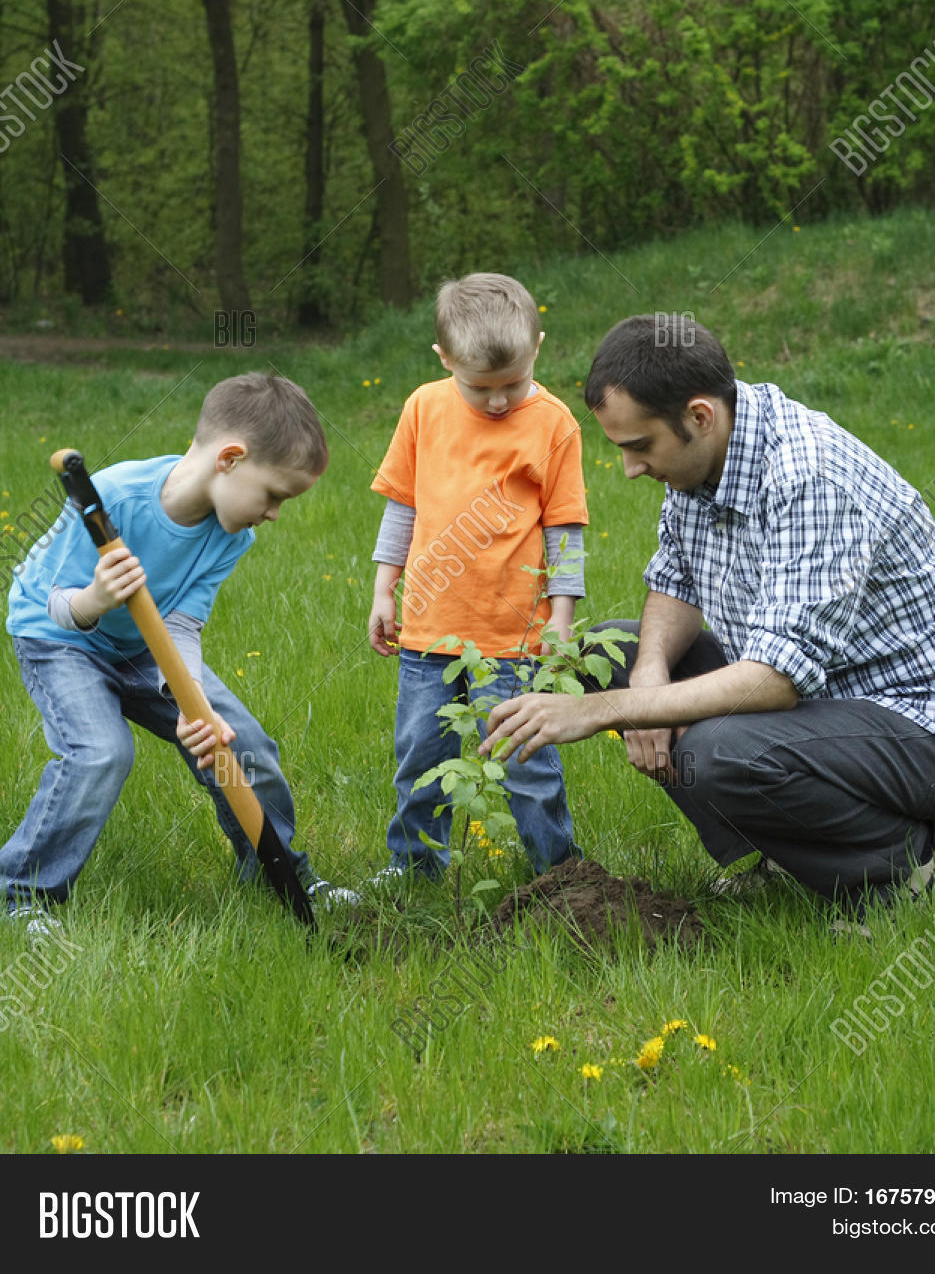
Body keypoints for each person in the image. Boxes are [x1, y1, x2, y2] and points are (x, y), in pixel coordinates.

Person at [481, 314, 935, 928]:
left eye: (639, 446)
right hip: (823, 704)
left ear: (699, 416)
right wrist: (646, 678)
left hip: (925, 728)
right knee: (609, 652)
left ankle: (900, 861)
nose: (630, 469)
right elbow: (674, 583)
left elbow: (776, 680)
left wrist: (606, 713)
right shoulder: (704, 458)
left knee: (715, 749)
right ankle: (787, 855)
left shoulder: (809, 476)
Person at [3, 371, 355, 940]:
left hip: (145, 644)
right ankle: (21, 890)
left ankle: (279, 872)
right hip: (61, 637)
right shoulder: (114, 497)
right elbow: (54, 605)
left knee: (240, 743)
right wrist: (97, 598)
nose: (274, 514)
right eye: (274, 495)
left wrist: (191, 703)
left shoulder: (230, 535)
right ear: (231, 459)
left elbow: (182, 624)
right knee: (100, 753)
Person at [368, 272, 588, 881]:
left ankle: (559, 875)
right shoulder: (423, 407)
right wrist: (384, 590)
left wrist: (561, 622)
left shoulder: (554, 423)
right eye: (479, 387)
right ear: (445, 360)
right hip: (429, 632)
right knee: (421, 759)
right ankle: (415, 870)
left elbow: (564, 530)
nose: (497, 402)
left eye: (511, 384)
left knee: (527, 764)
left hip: (515, 638)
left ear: (537, 347)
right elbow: (402, 506)